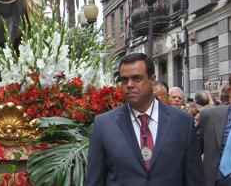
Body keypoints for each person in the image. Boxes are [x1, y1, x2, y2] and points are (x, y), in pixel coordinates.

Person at [86, 53, 203, 186]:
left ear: (152, 80)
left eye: (136, 78)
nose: (129, 85)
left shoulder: (182, 122)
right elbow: (95, 180)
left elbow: (194, 178)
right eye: (124, 80)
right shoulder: (104, 125)